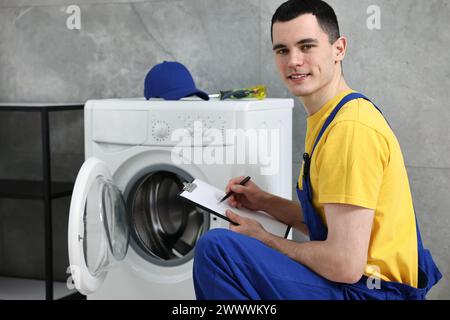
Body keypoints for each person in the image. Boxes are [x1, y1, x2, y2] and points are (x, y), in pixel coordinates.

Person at [192, 0, 441, 300]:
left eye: (306, 46)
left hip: (369, 293)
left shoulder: (350, 129)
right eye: (282, 50)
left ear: (339, 49)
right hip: (354, 285)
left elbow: (344, 264)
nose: (293, 60)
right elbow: (328, 223)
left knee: (217, 250)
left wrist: (265, 238)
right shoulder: (328, 117)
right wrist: (264, 202)